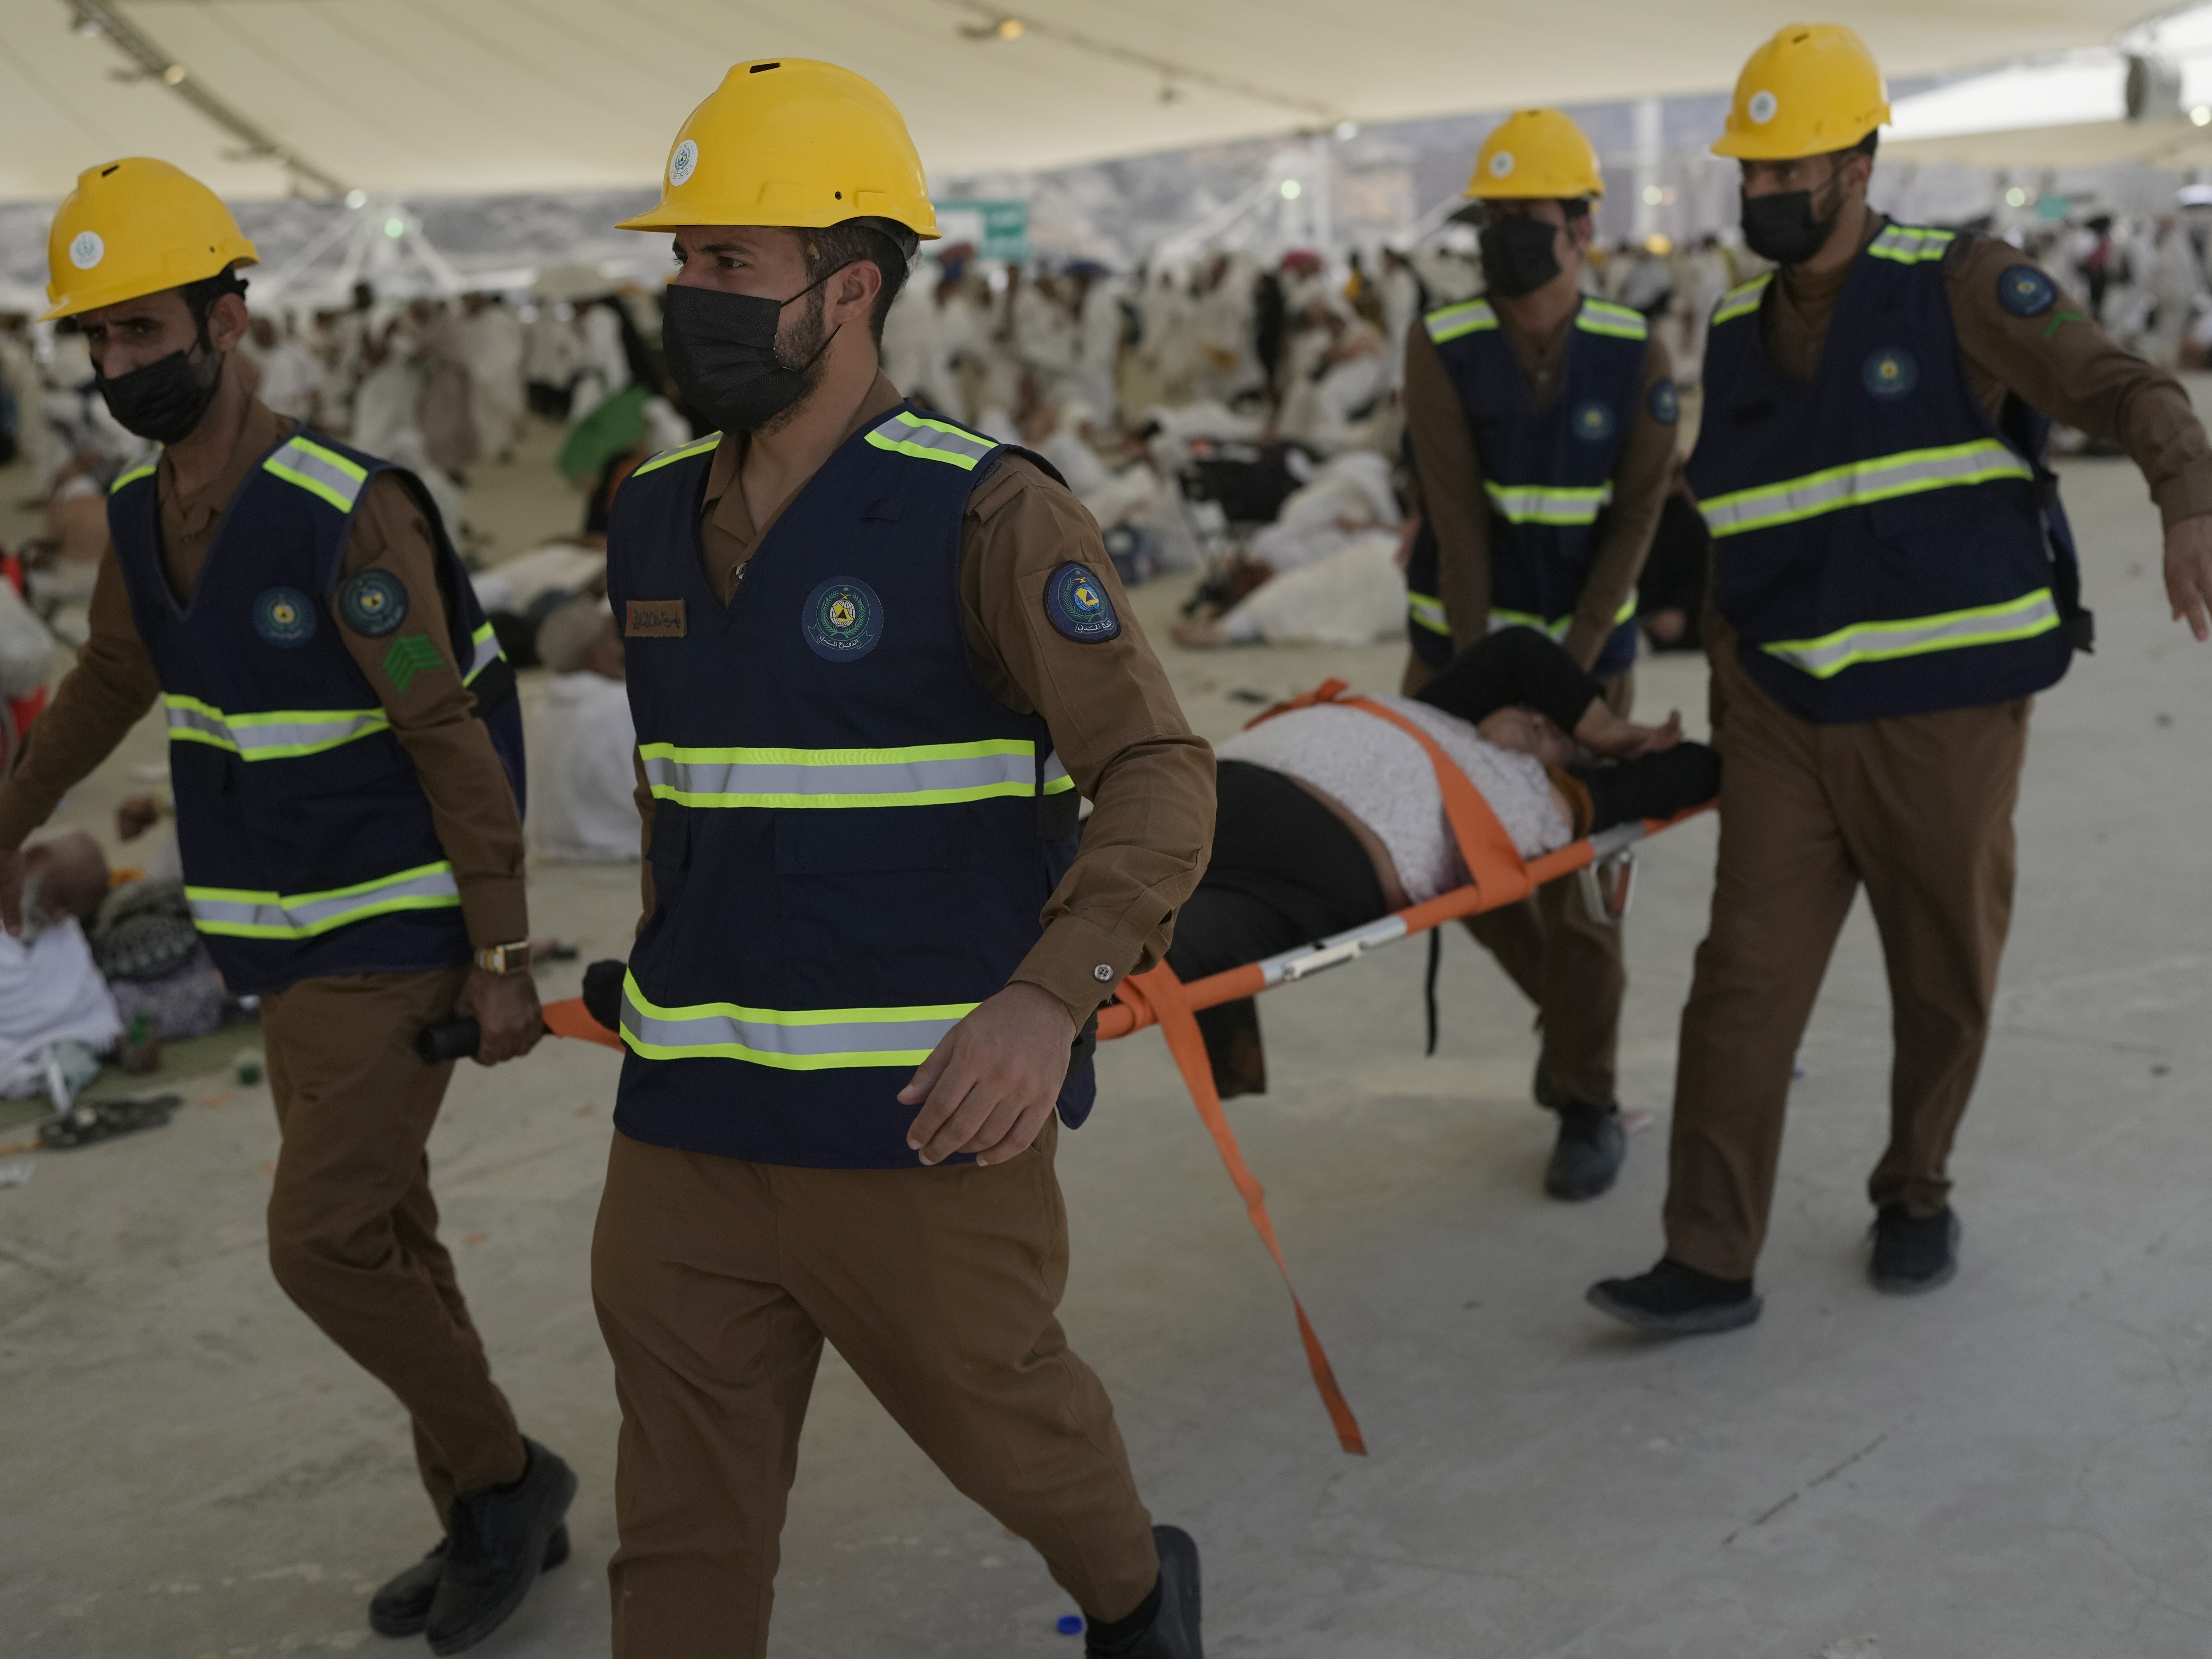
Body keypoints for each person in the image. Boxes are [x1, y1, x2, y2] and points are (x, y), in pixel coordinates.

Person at [590, 61, 1215, 1659]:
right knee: (677, 1527)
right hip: (688, 1123)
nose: (685, 294)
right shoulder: (650, 516)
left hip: (921, 1114)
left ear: (847, 286)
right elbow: (689, 794)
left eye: (726, 263)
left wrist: (1048, 1000)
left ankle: (1140, 1592)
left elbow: (1153, 770)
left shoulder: (987, 514)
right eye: (681, 261)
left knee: (1014, 1437)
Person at [0, 159, 575, 1649]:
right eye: (102, 342)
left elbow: (450, 733)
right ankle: (482, 1515)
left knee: (318, 1242)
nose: (123, 365)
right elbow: (113, 681)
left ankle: (509, 1476)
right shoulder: (138, 513)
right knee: (391, 1232)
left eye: (147, 331)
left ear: (230, 317)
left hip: (391, 943)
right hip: (279, 948)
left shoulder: (341, 511)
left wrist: (502, 953)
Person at [1587, 24, 2212, 1335]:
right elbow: (1738, 523)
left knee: (1943, 979)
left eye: (1787, 169)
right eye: (1748, 172)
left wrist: (2186, 494)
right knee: (1739, 983)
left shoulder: (1963, 284)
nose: (1761, 194)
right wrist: (1716, 687)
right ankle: (1707, 1254)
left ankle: (1914, 1187)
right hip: (1783, 719)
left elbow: (2116, 385)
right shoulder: (1740, 326)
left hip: (1942, 718)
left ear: (1860, 164)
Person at [1400, 108, 1679, 1200]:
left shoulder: (1631, 350)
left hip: (1591, 661)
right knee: (1447, 867)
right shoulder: (1444, 343)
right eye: (1494, 217)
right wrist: (1487, 693)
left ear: (1581, 227)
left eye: (1530, 217)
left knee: (1583, 898)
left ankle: (1586, 1098)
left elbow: (1638, 516)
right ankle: (1565, 1022)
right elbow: (1455, 523)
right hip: (1455, 661)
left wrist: (1563, 683)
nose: (1507, 235)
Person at [1173, 631, 1715, 1173]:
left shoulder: (1560, 800)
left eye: (1550, 734)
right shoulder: (1437, 714)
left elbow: (1698, 770)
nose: (1534, 721)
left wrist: (1604, 745)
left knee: (1143, 949)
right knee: (1102, 861)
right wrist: (1597, 727)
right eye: (1530, 712)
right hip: (1216, 790)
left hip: (1311, 867)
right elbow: (1518, 652)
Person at [524, 598, 637, 863]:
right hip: (614, 864)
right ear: (592, 654)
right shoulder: (617, 704)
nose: (621, 649)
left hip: (553, 863)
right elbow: (640, 794)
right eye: (613, 640)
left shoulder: (542, 708)